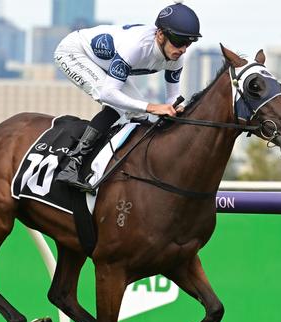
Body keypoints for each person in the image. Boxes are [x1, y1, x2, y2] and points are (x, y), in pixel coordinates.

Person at [53, 1, 202, 191]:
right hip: (75, 52)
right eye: (179, 42)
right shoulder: (136, 47)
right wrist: (152, 107)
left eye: (188, 43)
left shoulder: (176, 58)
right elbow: (108, 93)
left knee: (140, 115)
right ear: (160, 34)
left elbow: (171, 98)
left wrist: (177, 109)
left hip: (106, 63)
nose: (183, 49)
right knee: (120, 106)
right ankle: (72, 164)